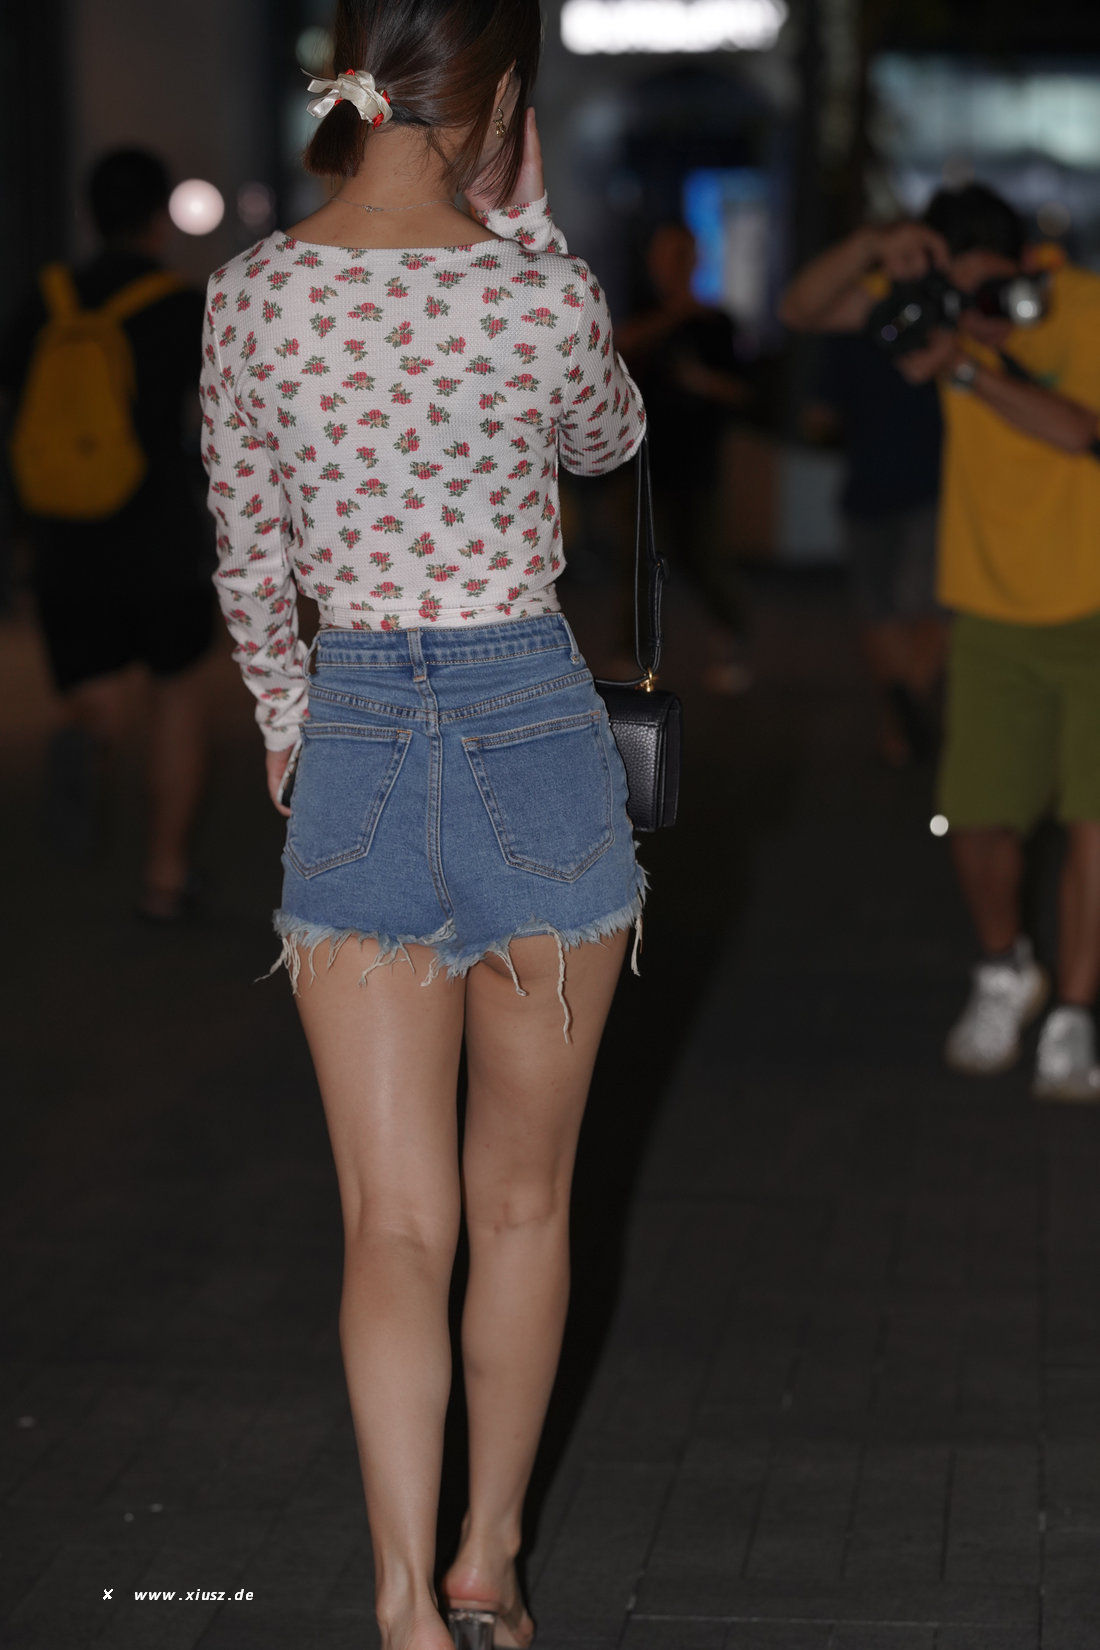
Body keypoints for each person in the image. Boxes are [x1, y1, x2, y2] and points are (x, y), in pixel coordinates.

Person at [199, 4, 646, 1647]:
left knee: (392, 1221)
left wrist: (288, 725)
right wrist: (527, 231)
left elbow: (248, 549)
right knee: (524, 1202)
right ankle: (488, 1560)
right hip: (536, 735)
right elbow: (614, 438)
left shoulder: (253, 295)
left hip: (359, 732)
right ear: (502, 93)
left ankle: (398, 1607)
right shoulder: (539, 293)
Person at [781, 183, 1100, 1099]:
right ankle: (1005, 968)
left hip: (1093, 605)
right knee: (975, 818)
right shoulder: (937, 306)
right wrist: (877, 244)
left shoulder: (1081, 307)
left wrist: (963, 367)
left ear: (1028, 266)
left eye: (993, 289)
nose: (978, 310)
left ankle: (1074, 1015)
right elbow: (803, 309)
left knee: (1093, 823)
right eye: (961, 294)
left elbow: (1080, 431)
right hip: (990, 610)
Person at [0, 148, 213, 918]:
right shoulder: (182, 305)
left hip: (67, 538)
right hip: (159, 535)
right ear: (160, 217)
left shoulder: (45, 298)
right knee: (176, 698)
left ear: (90, 215)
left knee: (97, 690)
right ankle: (165, 877)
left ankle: (89, 733)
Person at [616, 222, 751, 692]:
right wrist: (671, 318)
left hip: (696, 461)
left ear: (696, 261)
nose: (671, 267)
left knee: (704, 558)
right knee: (637, 563)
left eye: (681, 256)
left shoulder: (716, 324)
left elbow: (742, 392)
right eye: (664, 257)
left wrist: (701, 382)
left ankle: (731, 639)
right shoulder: (641, 314)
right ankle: (634, 656)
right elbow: (616, 348)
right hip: (640, 461)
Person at [806, 331, 946, 766]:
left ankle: (900, 719)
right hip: (888, 488)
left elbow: (818, 418)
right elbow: (820, 415)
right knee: (893, 610)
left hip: (919, 489)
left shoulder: (855, 333)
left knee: (903, 609)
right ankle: (903, 717)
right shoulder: (854, 334)